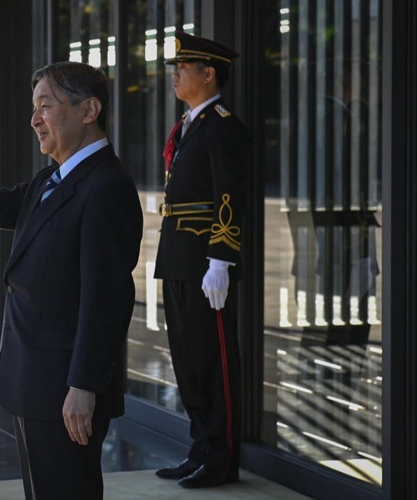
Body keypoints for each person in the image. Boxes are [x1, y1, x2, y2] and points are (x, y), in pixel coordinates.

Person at [0, 62, 143, 500]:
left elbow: (108, 298)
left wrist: (83, 385)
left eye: (46, 106)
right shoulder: (53, 178)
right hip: (34, 384)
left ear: (89, 110)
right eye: (33, 107)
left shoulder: (106, 187)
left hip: (65, 391)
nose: (34, 120)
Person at [153, 31, 250, 489]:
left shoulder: (223, 126)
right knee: (188, 361)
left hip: (204, 262)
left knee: (214, 362)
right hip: (178, 257)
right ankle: (200, 448)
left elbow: (229, 194)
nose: (176, 74)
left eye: (183, 67)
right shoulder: (191, 123)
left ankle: (221, 458)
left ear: (208, 74)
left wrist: (221, 258)